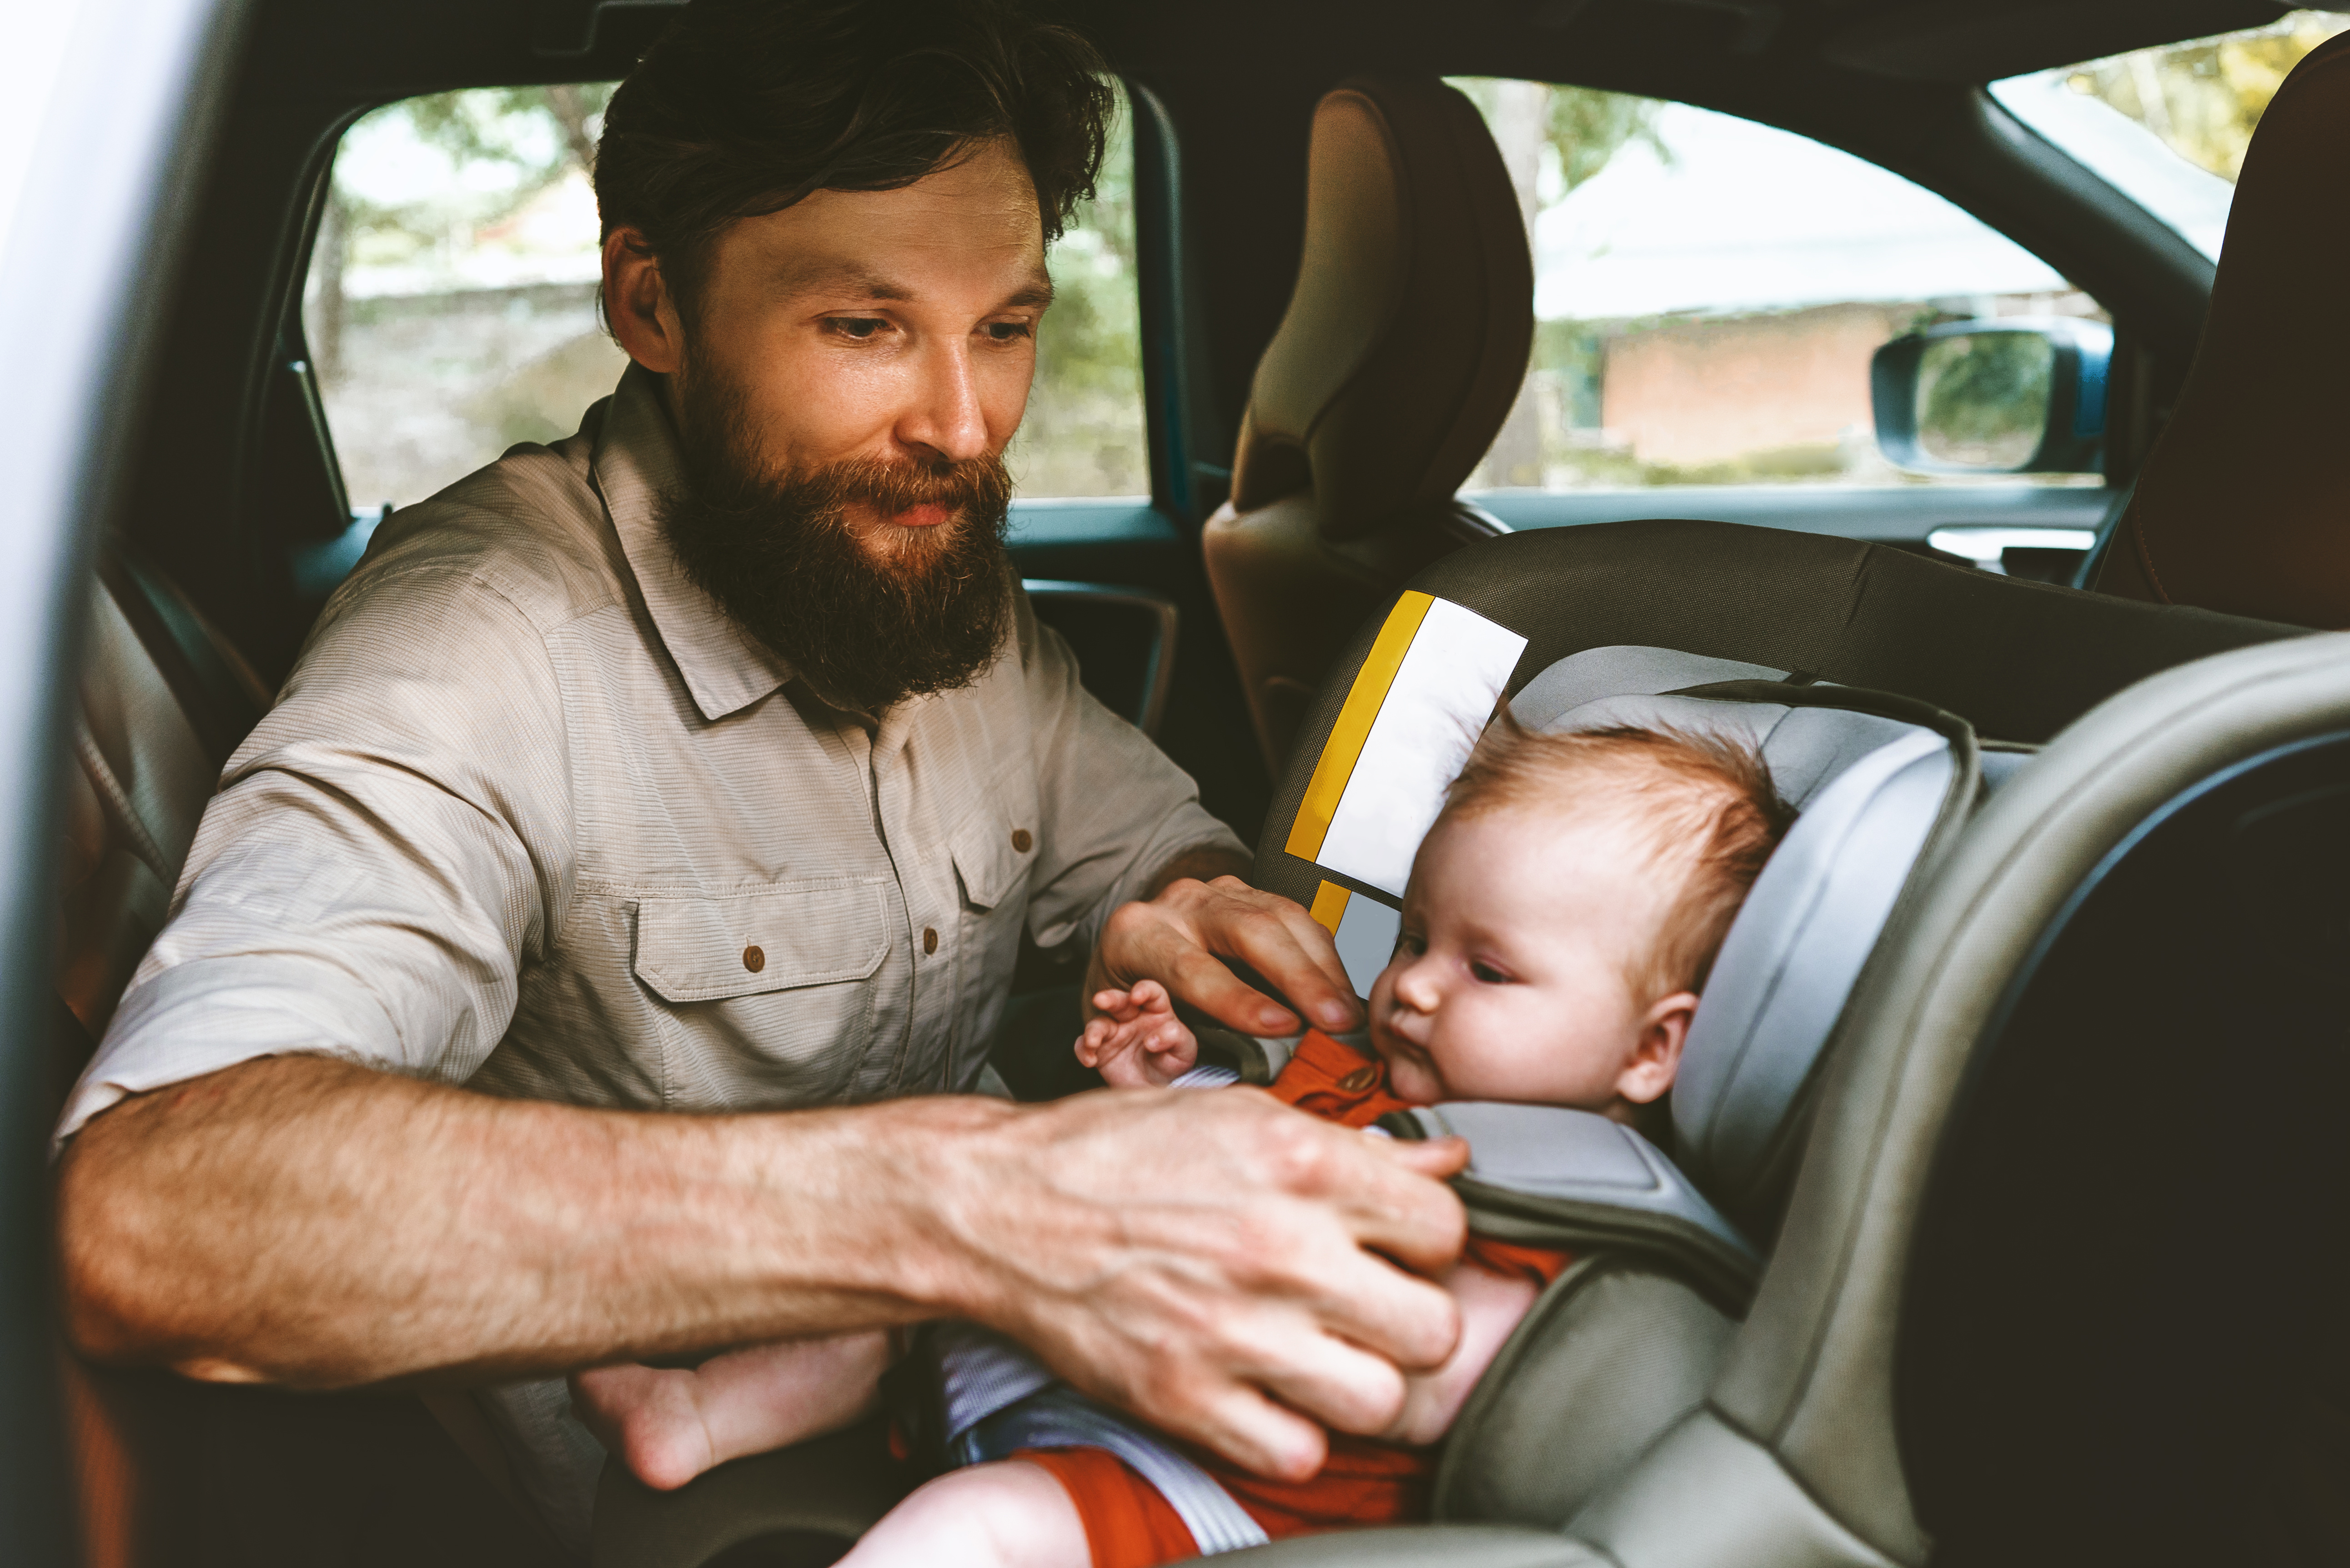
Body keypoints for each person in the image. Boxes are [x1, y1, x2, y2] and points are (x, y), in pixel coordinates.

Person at [49, 0, 1469, 1550]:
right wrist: (974, 1211)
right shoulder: (474, 651)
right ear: (654, 306)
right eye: (865, 328)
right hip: (688, 1508)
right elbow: (154, 1213)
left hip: (974, 1405)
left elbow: (1130, 844)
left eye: (1003, 325)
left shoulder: (913, 555)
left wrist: (1177, 908)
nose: (963, 425)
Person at [573, 718, 1795, 1564]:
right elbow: (1163, 1187)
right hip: (1056, 1345)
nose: (1414, 986)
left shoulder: (1555, 1220)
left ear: (1652, 1048)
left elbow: (1430, 1376)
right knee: (910, 1255)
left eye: (1487, 968)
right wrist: (1152, 1088)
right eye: (1417, 936)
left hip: (1196, 1488)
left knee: (973, 1537)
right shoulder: (1357, 1071)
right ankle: (703, 1417)